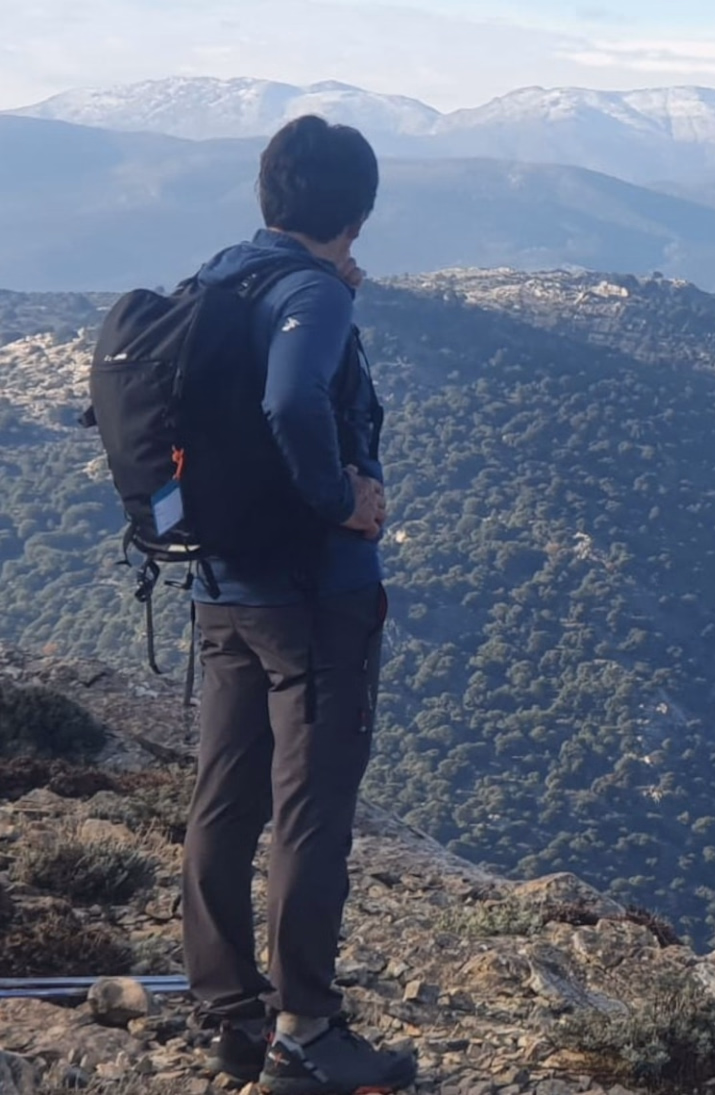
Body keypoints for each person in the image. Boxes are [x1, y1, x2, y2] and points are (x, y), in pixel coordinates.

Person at [179, 115, 415, 1095]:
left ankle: (231, 1015)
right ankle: (307, 1033)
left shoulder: (221, 277)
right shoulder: (314, 294)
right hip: (314, 597)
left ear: (269, 195)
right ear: (357, 215)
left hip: (223, 583)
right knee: (312, 813)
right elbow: (289, 400)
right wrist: (342, 501)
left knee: (224, 801)